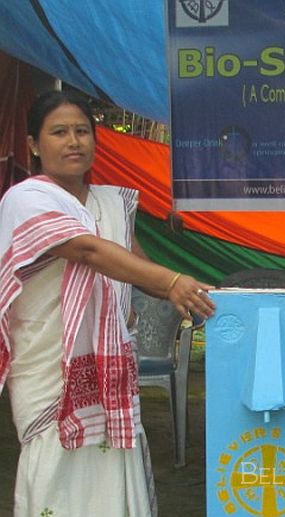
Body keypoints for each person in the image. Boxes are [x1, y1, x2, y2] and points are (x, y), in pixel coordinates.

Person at [0, 90, 216, 516]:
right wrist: (173, 280)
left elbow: (136, 265)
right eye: (59, 132)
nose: (73, 141)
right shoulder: (26, 198)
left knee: (113, 460)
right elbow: (89, 252)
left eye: (82, 131)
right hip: (50, 369)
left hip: (109, 367)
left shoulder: (110, 203)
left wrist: (203, 294)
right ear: (33, 145)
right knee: (53, 469)